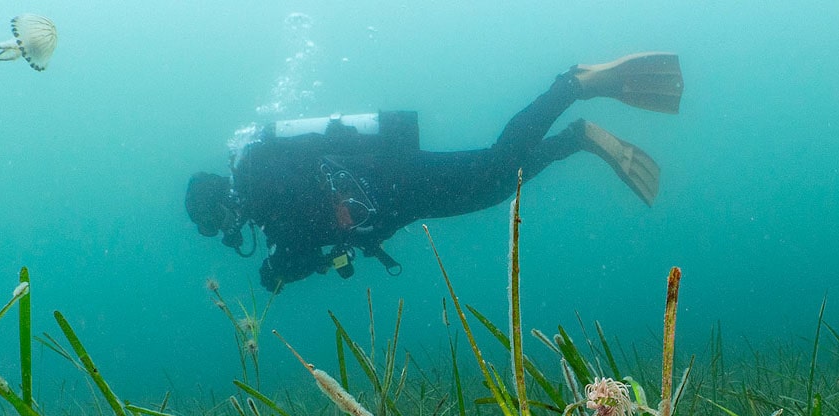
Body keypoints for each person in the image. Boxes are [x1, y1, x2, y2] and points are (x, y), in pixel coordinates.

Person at [185, 52, 684, 292]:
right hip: (395, 199)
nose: (220, 232)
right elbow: (310, 236)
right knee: (493, 186)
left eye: (211, 222)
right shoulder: (259, 192)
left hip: (392, 181)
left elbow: (306, 219)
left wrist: (278, 269)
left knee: (495, 163)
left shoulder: (256, 180)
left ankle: (570, 86)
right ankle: (576, 139)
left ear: (218, 202)